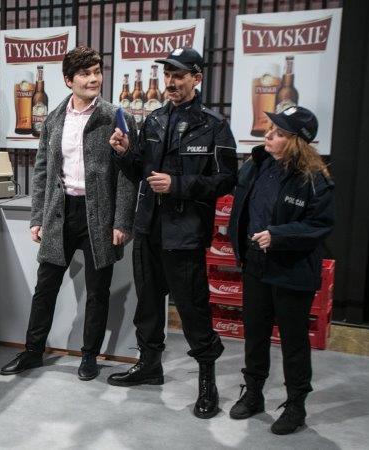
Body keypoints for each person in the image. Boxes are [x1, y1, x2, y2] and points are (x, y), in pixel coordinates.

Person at [107, 46, 238, 419]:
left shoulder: (214, 125)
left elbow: (227, 179)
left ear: (197, 78)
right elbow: (139, 171)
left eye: (178, 75)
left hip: (185, 233)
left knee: (193, 310)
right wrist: (123, 152)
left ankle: (207, 382)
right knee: (148, 305)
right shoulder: (154, 120)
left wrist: (178, 185)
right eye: (167, 75)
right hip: (148, 228)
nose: (171, 82)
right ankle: (150, 365)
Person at [0, 46, 136, 381]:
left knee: (98, 291)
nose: (93, 79)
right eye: (85, 73)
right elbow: (42, 171)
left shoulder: (116, 117)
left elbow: (128, 175)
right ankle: (32, 352)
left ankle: (89, 356)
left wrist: (121, 221)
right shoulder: (54, 118)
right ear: (68, 80)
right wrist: (37, 217)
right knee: (45, 287)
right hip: (61, 212)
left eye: (97, 72)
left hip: (99, 216)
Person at [227, 106, 334, 435]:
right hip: (256, 264)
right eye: (270, 129)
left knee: (293, 340)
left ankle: (296, 405)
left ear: (298, 141)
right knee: (255, 334)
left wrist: (278, 236)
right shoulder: (257, 164)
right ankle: (254, 393)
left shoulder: (314, 179)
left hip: (292, 269)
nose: (269, 135)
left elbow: (320, 225)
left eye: (280, 132)